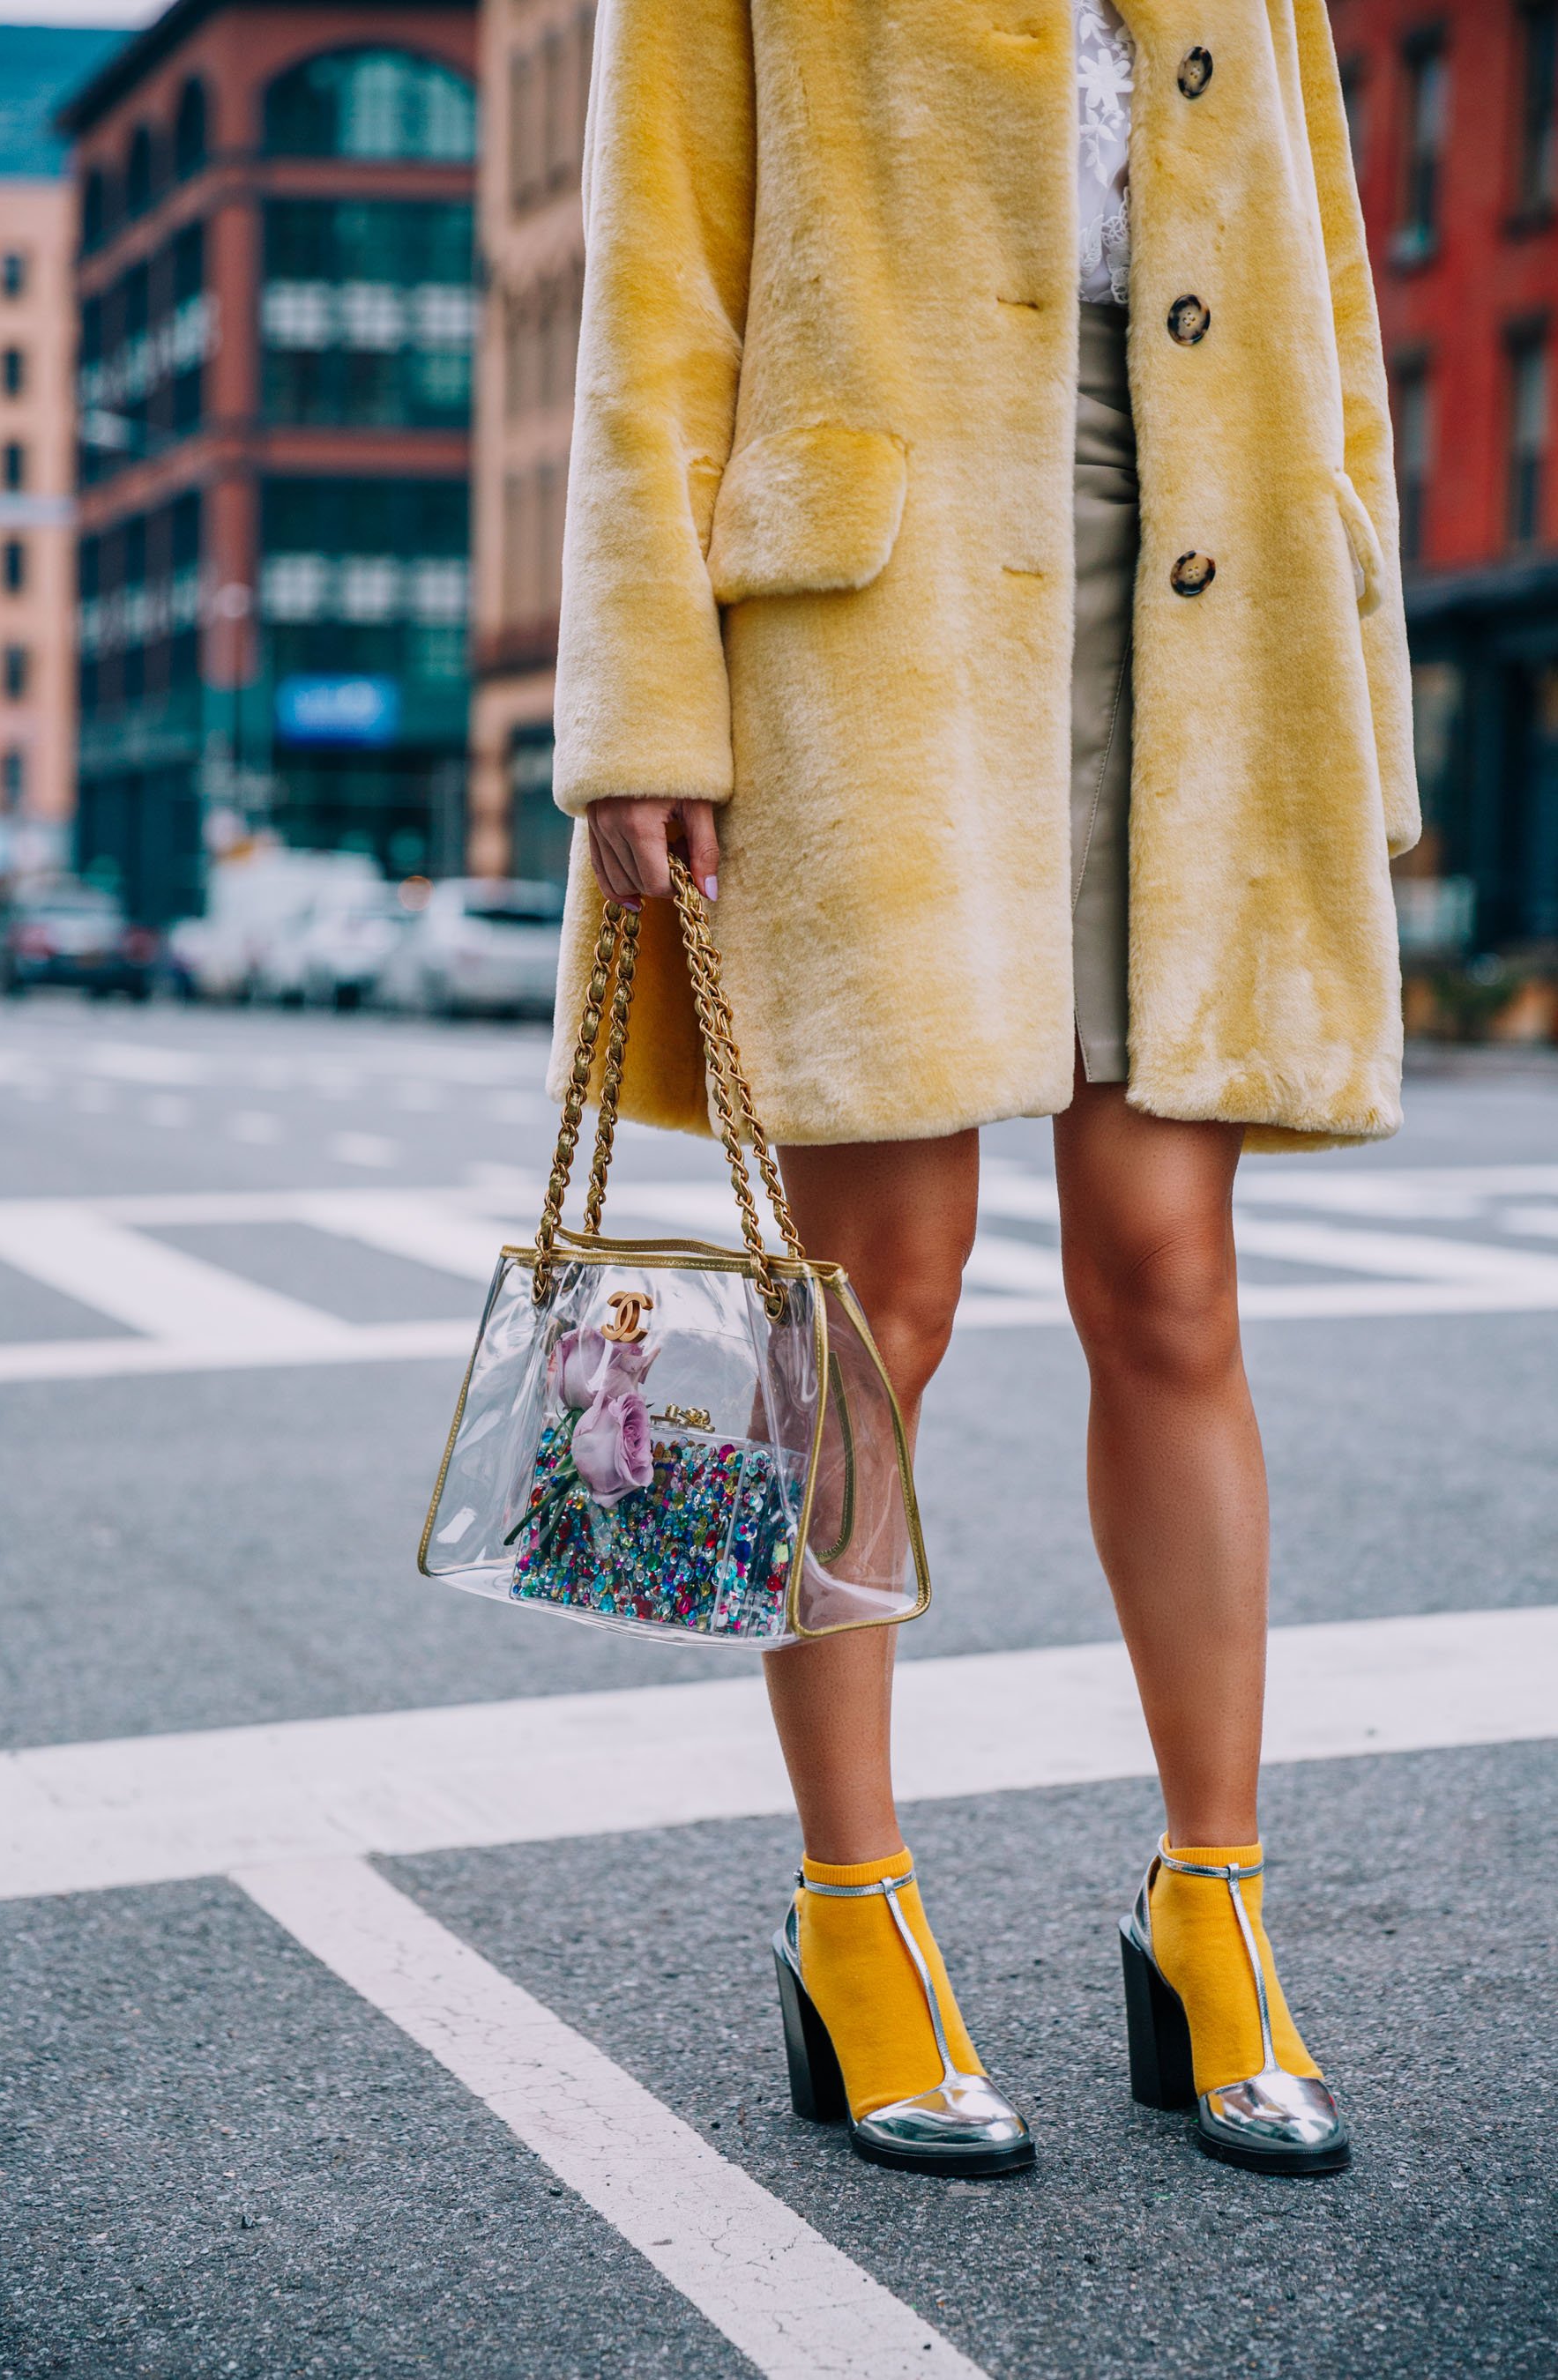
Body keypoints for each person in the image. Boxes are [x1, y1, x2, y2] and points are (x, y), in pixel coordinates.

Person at [545, 0, 1418, 2178]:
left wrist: (1364, 673)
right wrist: (645, 696)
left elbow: (1335, 294)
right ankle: (855, 1921)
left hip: (1207, 589)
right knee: (879, 1308)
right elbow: (661, 275)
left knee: (1172, 1283)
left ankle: (1212, 1911)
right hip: (887, 609)